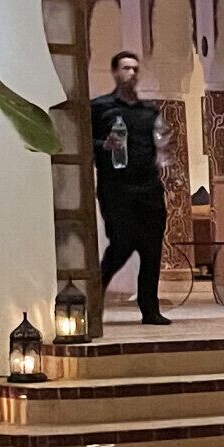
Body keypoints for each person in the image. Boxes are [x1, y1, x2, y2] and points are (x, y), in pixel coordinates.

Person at [92, 51, 171, 325]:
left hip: (148, 188)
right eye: (126, 68)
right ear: (115, 72)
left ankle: (150, 309)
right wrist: (103, 146)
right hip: (116, 188)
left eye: (136, 69)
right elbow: (79, 142)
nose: (132, 73)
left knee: (151, 250)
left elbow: (161, 145)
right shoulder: (99, 108)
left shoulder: (148, 111)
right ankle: (92, 301)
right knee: (121, 245)